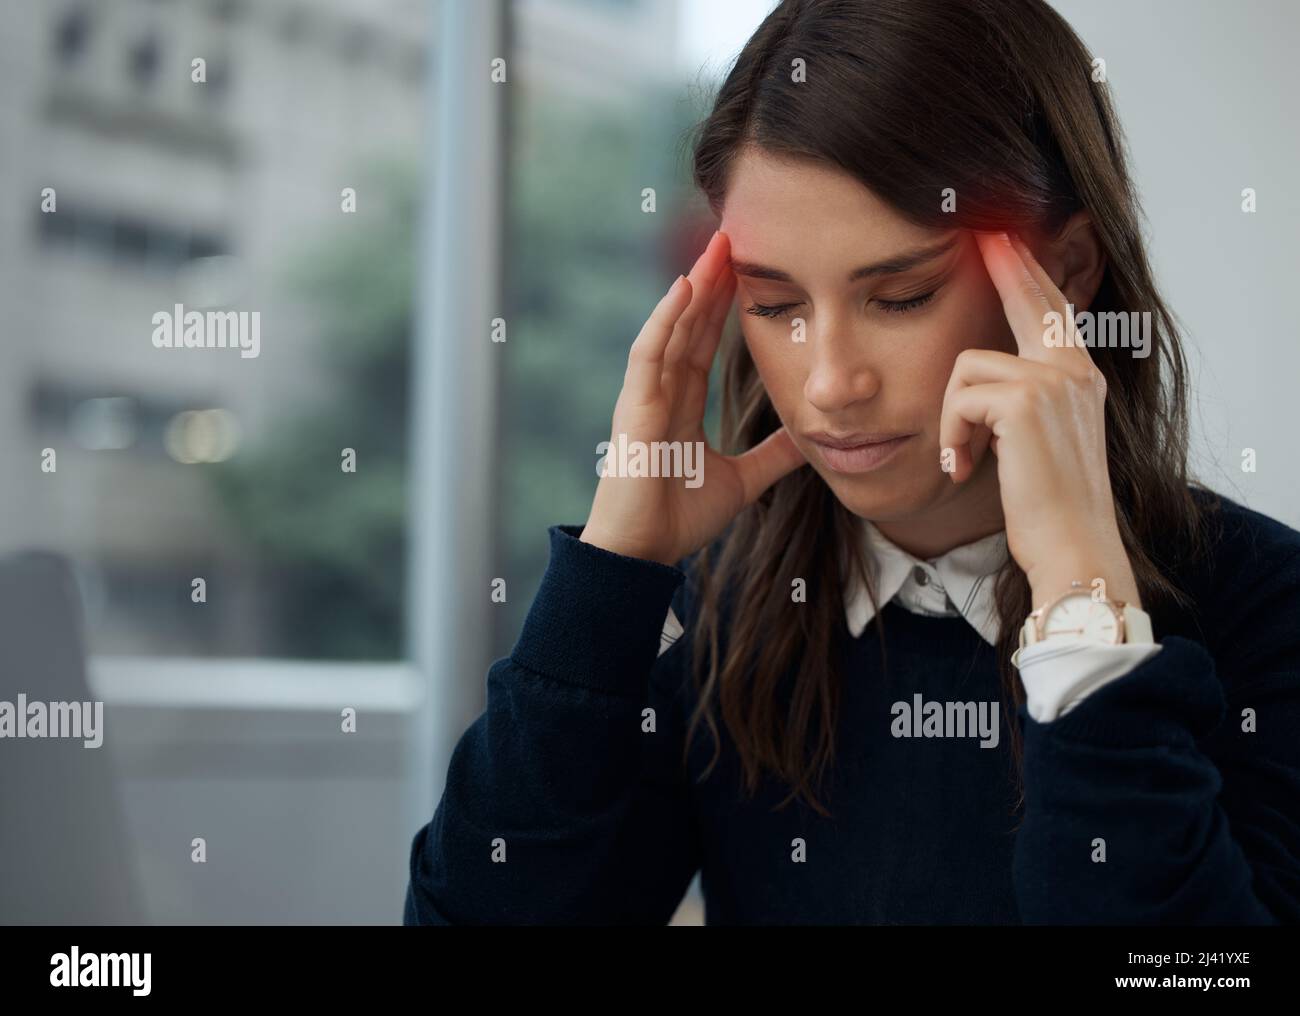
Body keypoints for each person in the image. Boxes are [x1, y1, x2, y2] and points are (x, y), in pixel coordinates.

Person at [404, 0, 1300, 924]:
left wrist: (1083, 606)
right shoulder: (710, 614)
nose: (830, 382)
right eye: (775, 302)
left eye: (901, 297)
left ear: (1067, 272)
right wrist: (614, 575)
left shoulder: (1263, 607)